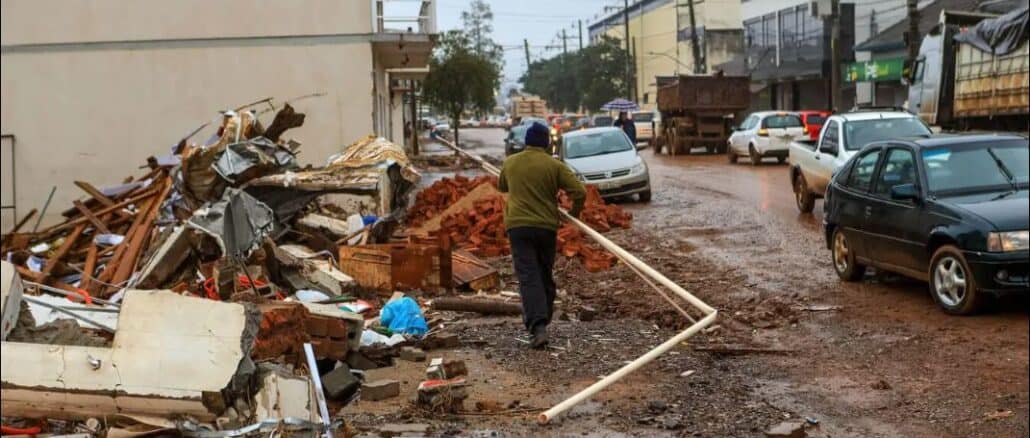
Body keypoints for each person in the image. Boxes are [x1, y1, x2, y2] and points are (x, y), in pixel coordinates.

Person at [498, 122, 586, 349]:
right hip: (546, 227)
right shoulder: (554, 165)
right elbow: (580, 191)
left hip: (518, 227)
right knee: (544, 273)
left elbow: (503, 186)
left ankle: (538, 327)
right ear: (547, 142)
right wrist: (572, 214)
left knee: (529, 276)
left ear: (526, 141)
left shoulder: (510, 162)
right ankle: (543, 319)